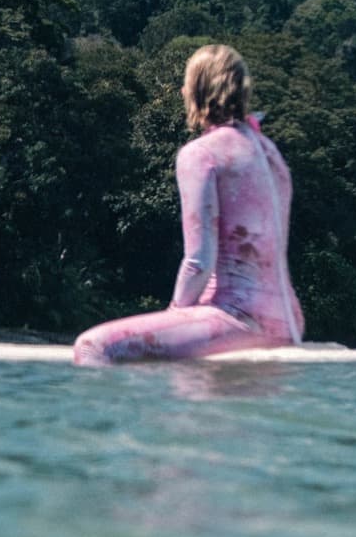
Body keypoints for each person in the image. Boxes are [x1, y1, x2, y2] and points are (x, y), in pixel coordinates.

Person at [74, 45, 303, 365]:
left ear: (195, 91)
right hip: (289, 321)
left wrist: (175, 317)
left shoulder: (202, 153)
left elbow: (199, 262)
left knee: (92, 347)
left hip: (240, 317)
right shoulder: (271, 154)